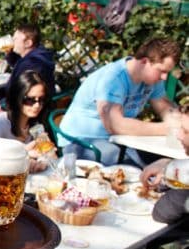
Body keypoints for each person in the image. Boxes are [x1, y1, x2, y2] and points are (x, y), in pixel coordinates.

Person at [58, 37, 185, 166]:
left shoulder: (152, 78)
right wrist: (167, 129)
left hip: (117, 140)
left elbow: (164, 107)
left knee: (167, 164)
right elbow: (115, 125)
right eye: (162, 71)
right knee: (139, 172)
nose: (164, 77)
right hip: (82, 141)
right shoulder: (113, 78)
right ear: (145, 61)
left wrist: (182, 123)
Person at [0, 70, 52, 173]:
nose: (37, 105)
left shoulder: (36, 126)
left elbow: (51, 156)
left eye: (41, 99)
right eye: (30, 100)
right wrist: (24, 154)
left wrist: (42, 162)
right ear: (17, 98)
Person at [4, 23, 55, 97]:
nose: (12, 42)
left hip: (29, 104)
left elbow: (17, 91)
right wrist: (9, 53)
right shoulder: (37, 57)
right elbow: (18, 63)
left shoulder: (32, 63)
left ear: (28, 43)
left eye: (15, 39)